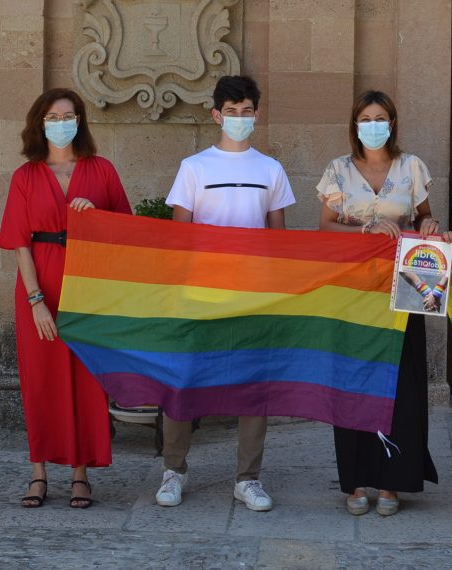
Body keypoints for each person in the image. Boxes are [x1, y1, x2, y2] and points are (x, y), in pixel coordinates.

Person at [156, 75, 296, 513]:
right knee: (184, 380)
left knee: (254, 387)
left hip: (253, 295)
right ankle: (173, 470)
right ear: (217, 114)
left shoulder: (270, 169)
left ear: (257, 113)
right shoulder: (194, 166)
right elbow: (180, 236)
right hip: (200, 293)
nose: (239, 118)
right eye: (231, 112)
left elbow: (279, 239)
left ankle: (248, 478)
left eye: (247, 110)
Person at [0, 88, 133, 509]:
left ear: (81, 121)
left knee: (85, 377)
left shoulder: (102, 170)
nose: (61, 124)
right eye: (53, 117)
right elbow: (20, 243)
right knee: (40, 378)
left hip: (88, 285)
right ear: (39, 123)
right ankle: (38, 471)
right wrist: (36, 299)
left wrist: (97, 217)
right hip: (41, 284)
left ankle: (80, 473)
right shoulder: (26, 176)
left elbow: (126, 233)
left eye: (69, 116)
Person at [316, 90, 441, 517]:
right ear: (355, 124)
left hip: (402, 289)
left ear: (392, 123)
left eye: (381, 117)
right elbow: (326, 229)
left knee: (401, 382)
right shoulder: (336, 170)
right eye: (366, 117)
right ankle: (355, 481)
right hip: (351, 291)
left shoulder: (412, 167)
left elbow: (424, 215)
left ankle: (393, 481)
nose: (373, 124)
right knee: (352, 380)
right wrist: (364, 234)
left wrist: (428, 223)